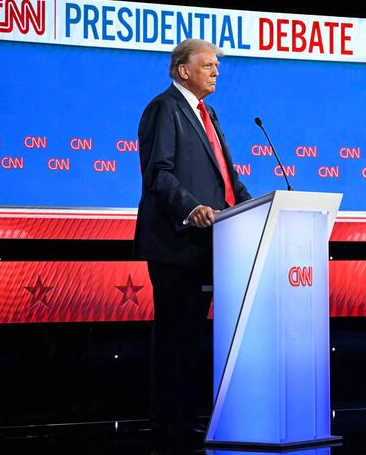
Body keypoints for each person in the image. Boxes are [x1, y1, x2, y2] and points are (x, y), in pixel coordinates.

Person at [133, 39, 251, 439]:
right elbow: (158, 174)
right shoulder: (163, 109)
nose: (216, 71)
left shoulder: (207, 113)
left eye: (217, 65)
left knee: (191, 337)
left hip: (208, 244)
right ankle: (167, 422)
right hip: (175, 242)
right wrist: (192, 207)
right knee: (173, 335)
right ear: (183, 70)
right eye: (208, 65)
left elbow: (225, 175)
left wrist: (255, 207)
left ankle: (185, 417)